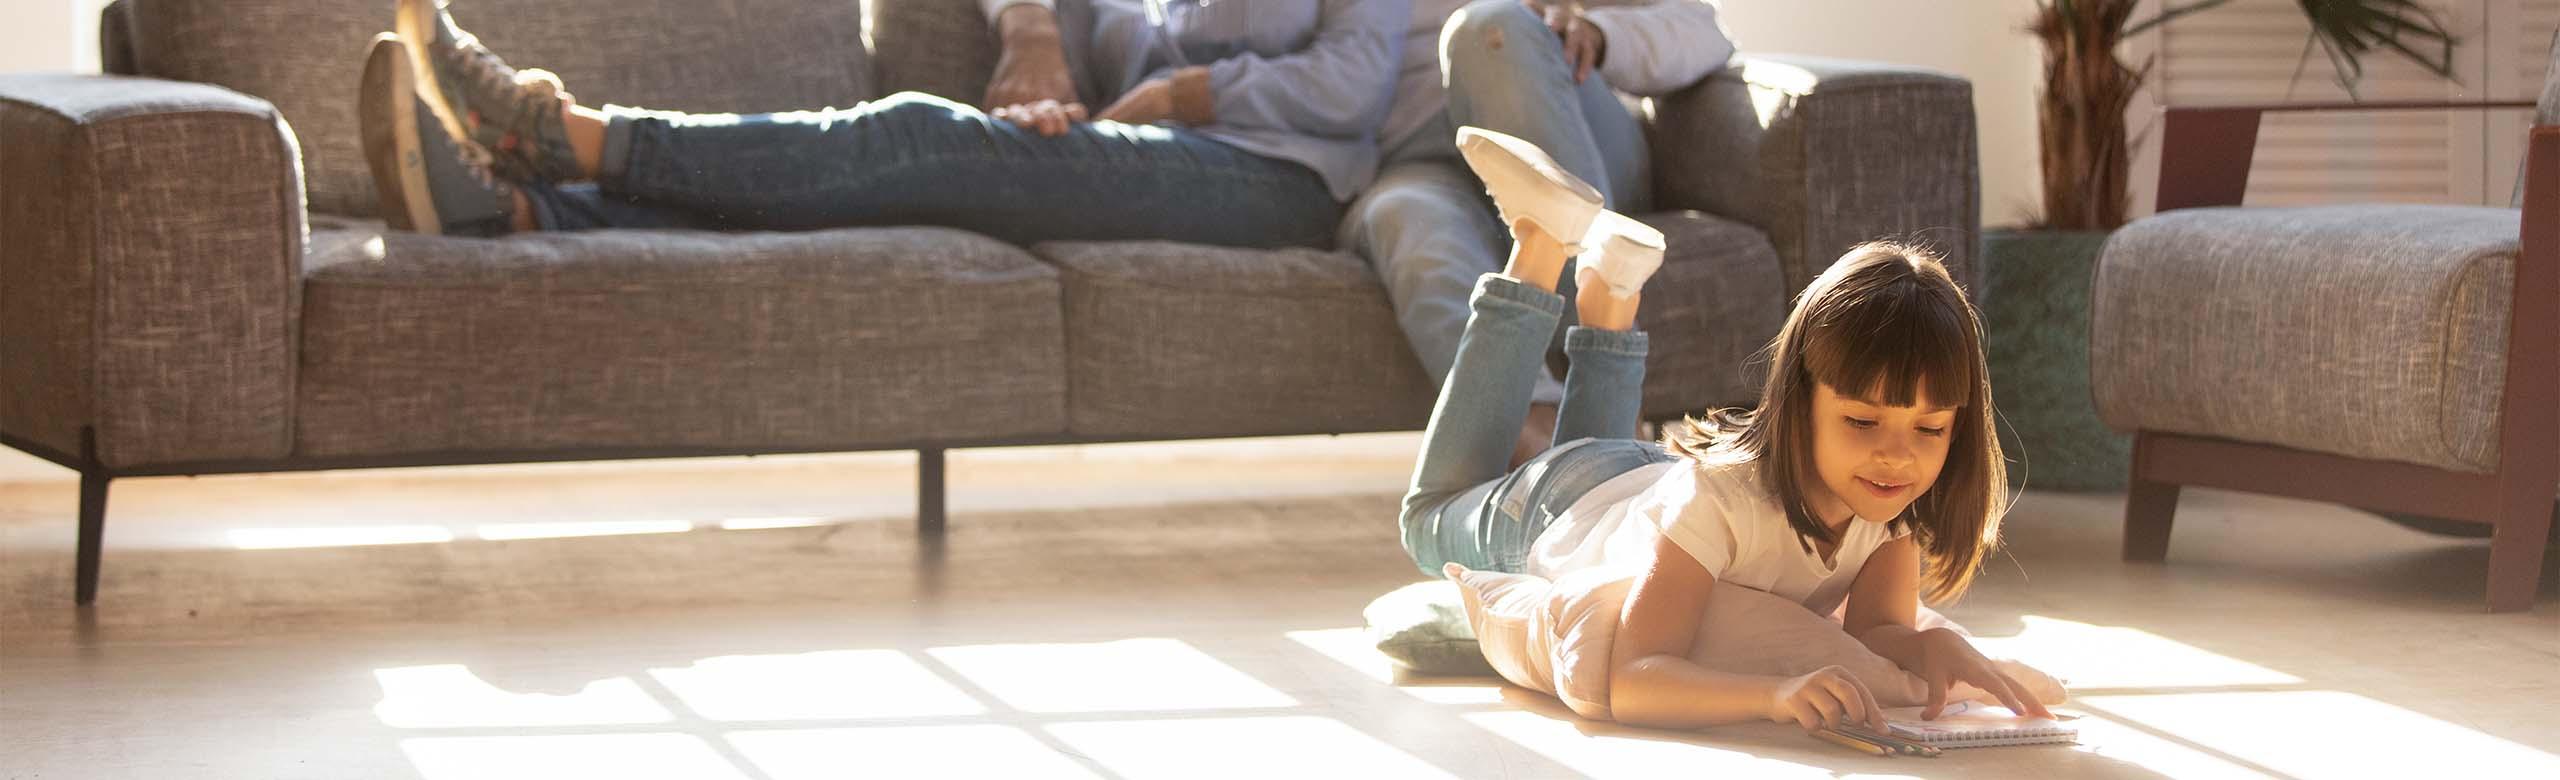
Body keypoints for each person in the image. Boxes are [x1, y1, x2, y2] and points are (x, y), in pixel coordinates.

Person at [1406, 127, 2060, 732]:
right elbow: (1634, 681)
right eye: (1863, 420)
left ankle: (1611, 291)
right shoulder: (1723, 503)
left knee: (1602, 476)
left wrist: (1925, 642)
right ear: (1799, 401)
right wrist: (1772, 695)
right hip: (1552, 507)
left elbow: (1876, 629)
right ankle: (1540, 247)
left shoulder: (1889, 505)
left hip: (1631, 479)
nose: (1898, 455)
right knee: (1425, 521)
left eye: (1931, 429)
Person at [362, 0, 1406, 247]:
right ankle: (524, 208)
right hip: (1133, 153)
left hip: (1276, 178)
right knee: (860, 188)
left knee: (916, 135)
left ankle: (562, 138)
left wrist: (1179, 98)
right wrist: (1032, 33)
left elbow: (1356, 82)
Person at [1346, 0, 1735, 467]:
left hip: (1563, 136)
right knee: (1400, 214)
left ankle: (1610, 388)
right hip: (1425, 163)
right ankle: (1540, 451)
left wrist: (1600, 33)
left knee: (1491, 25)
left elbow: (1705, 33)